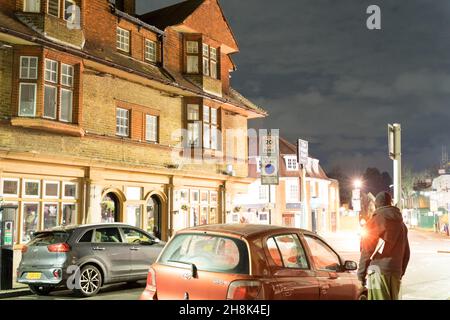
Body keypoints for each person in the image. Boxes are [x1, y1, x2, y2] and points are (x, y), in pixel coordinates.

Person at [357, 191, 410, 300]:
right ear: (390, 203)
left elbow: (366, 251)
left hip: (377, 272)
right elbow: (406, 253)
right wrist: (400, 271)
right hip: (395, 273)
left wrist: (361, 275)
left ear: (377, 205)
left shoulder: (374, 222)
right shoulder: (402, 225)